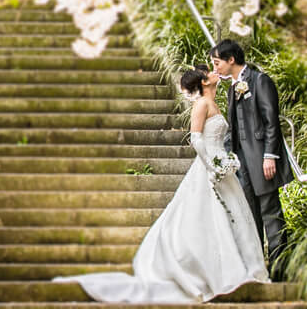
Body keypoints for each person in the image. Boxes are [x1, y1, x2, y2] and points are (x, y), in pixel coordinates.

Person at [54, 65, 268, 303]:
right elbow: (196, 139)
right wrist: (212, 166)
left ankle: (243, 270)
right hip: (209, 169)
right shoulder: (202, 105)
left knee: (234, 217)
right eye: (210, 71)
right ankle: (214, 272)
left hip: (223, 169)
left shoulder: (214, 103)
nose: (216, 72)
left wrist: (225, 162)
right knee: (211, 218)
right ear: (204, 82)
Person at [210, 38, 294, 281]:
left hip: (262, 160)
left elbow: (271, 122)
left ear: (231, 60)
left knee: (271, 214)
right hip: (241, 164)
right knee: (250, 216)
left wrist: (270, 156)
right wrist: (225, 159)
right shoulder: (231, 89)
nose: (215, 68)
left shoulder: (259, 81)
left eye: (217, 63)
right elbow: (232, 130)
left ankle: (280, 270)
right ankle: (258, 269)